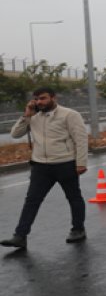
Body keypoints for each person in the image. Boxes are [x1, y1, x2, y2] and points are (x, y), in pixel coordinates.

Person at [0, 87, 89, 249]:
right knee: (32, 200)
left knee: (74, 197)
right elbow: (15, 134)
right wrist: (27, 115)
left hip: (65, 164)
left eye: (43, 98)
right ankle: (20, 236)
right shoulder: (33, 116)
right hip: (40, 166)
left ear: (53, 98)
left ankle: (78, 229)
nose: (39, 102)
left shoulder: (70, 115)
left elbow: (81, 139)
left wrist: (81, 162)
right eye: (36, 99)